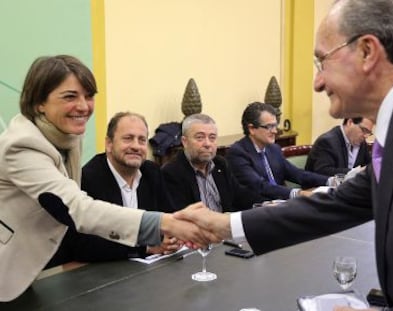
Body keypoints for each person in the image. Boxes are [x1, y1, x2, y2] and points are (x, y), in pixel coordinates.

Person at [175, 1, 393, 310]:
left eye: (321, 61)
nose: (317, 82)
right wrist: (224, 225)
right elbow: (335, 204)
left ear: (367, 51)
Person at [0, 55, 213, 302]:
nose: (83, 106)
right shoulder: (23, 145)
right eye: (70, 96)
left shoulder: (67, 135)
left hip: (34, 269)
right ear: (39, 102)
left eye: (88, 96)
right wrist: (166, 224)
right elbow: (78, 209)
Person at [71, 112, 181, 262]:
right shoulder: (88, 178)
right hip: (105, 271)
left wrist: (173, 237)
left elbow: (170, 215)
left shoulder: (152, 172)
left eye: (142, 140)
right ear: (109, 144)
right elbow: (82, 244)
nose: (136, 146)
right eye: (128, 139)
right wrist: (146, 248)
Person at [226, 102, 332, 200]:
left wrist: (330, 181)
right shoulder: (238, 153)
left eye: (275, 125)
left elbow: (298, 174)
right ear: (252, 129)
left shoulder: (274, 149)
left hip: (280, 206)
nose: (275, 131)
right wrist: (298, 193)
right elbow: (260, 186)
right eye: (269, 127)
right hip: (256, 210)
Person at [162, 113, 264, 212]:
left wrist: (267, 205)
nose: (207, 144)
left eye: (212, 138)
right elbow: (182, 218)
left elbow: (240, 195)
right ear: (185, 142)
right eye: (200, 137)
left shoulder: (220, 164)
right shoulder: (172, 172)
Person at [305, 117, 373, 176]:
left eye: (369, 133)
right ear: (350, 122)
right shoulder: (327, 141)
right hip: (318, 189)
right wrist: (356, 172)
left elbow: (368, 165)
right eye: (364, 130)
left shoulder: (361, 143)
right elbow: (323, 171)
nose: (366, 136)